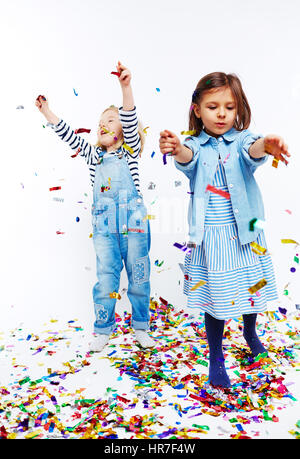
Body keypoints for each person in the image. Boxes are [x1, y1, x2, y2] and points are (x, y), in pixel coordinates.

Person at [159, 72, 290, 388]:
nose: (221, 114)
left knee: (250, 290)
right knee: (217, 302)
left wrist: (267, 144)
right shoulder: (193, 144)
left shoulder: (243, 139)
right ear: (197, 110)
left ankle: (249, 331)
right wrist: (176, 148)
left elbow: (253, 150)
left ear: (238, 110)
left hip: (246, 233)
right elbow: (187, 159)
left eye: (229, 107)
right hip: (213, 237)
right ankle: (216, 358)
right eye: (213, 106)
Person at [35, 61, 155, 352]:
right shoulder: (93, 156)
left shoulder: (130, 152)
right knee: (106, 278)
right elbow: (70, 136)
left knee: (139, 275)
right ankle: (103, 328)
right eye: (102, 120)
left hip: (134, 221)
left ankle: (141, 327)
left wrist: (125, 88)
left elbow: (129, 116)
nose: (104, 123)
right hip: (103, 226)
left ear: (126, 130)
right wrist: (47, 113)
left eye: (111, 120)